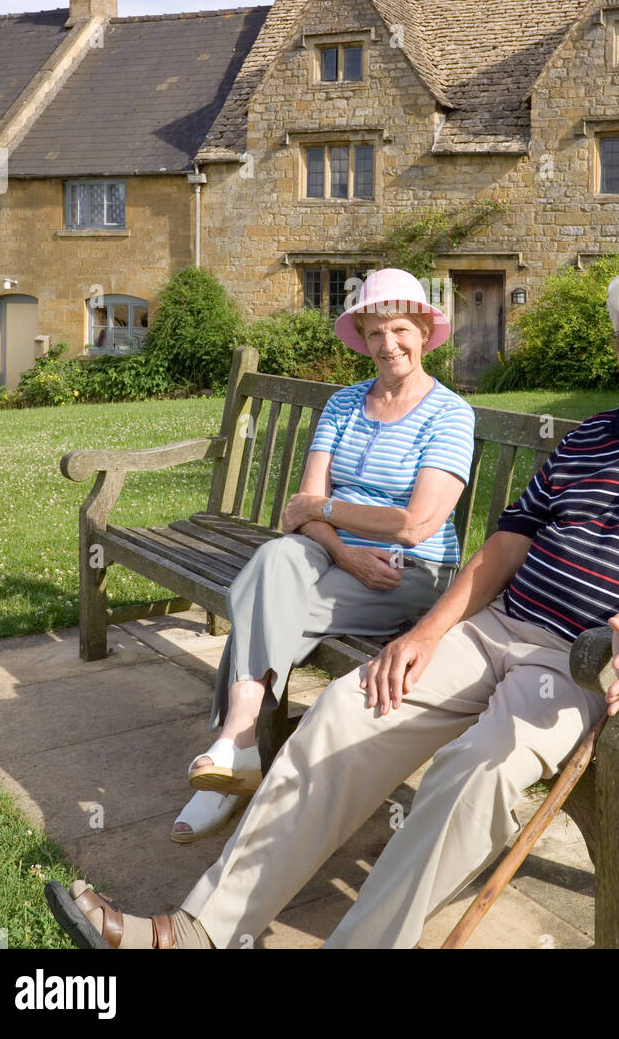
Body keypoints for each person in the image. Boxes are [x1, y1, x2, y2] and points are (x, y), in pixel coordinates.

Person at [46, 273, 619, 949]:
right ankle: (198, 931)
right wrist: (430, 632)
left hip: (589, 658)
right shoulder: (589, 435)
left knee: (474, 772)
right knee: (344, 709)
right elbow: (505, 545)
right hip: (494, 628)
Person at [171, 268, 475, 842]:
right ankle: (239, 741)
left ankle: (230, 758)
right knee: (275, 562)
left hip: (407, 574)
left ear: (424, 332)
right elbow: (299, 515)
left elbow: (413, 525)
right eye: (376, 332)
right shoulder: (342, 405)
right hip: (335, 557)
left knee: (263, 602)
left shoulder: (450, 413)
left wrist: (328, 513)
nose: (389, 345)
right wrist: (343, 547)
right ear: (361, 335)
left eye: (401, 329)